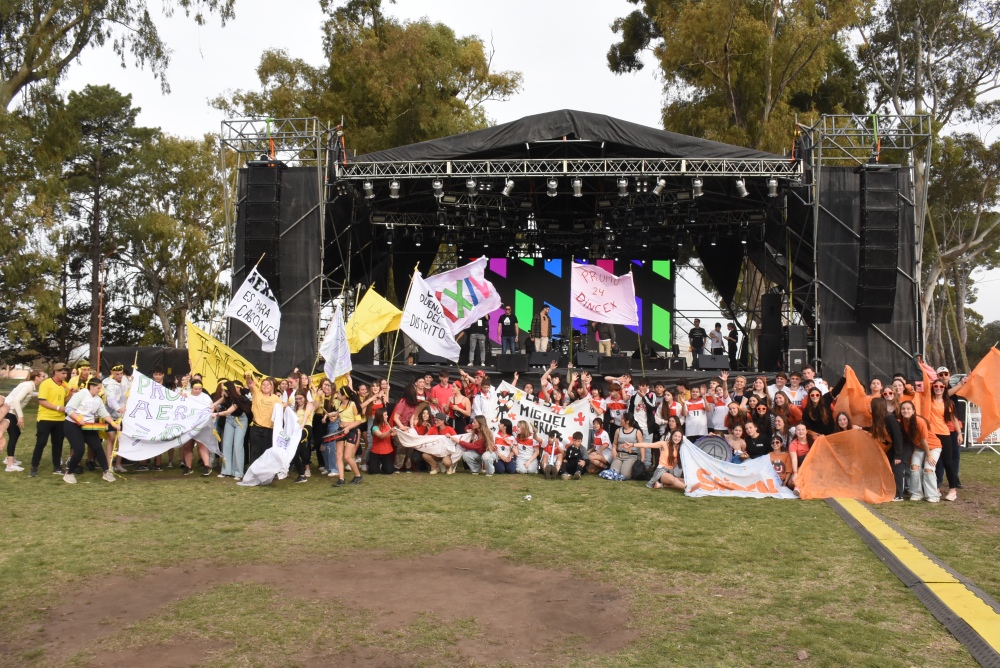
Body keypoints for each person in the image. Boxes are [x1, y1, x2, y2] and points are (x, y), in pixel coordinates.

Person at [61, 378, 117, 484]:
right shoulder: (81, 394)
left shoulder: (98, 399)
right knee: (79, 450)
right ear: (91, 387)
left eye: (101, 388)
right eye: (98, 388)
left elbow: (104, 413)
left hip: (88, 426)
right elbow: (68, 409)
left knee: (98, 448)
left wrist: (114, 424)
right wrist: (78, 418)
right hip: (72, 425)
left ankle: (106, 472)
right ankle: (69, 473)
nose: (100, 391)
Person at [30, 363, 71, 477]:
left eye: (66, 373)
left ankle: (57, 467)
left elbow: (64, 400)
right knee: (41, 443)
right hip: (45, 418)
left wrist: (71, 394)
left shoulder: (65, 385)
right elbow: (42, 401)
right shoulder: (46, 383)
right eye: (62, 373)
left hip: (60, 419)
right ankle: (34, 467)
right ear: (55, 372)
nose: (65, 375)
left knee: (58, 444)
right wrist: (58, 407)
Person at [898, 400, 940, 502]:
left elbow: (924, 440)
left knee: (928, 469)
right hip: (919, 447)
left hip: (932, 446)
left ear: (913, 411)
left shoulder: (919, 422)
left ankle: (932, 495)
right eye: (903, 409)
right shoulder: (903, 420)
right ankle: (917, 493)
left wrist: (929, 455)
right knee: (914, 467)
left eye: (908, 409)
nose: (905, 411)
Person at [927, 378, 960, 500]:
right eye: (936, 386)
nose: (938, 388)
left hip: (944, 434)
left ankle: (953, 489)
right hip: (931, 435)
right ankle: (936, 487)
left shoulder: (948, 403)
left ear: (944, 388)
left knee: (947, 462)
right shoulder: (928, 400)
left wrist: (959, 433)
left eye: (941, 387)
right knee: (933, 462)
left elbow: (954, 419)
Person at [4, 370, 44, 472]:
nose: (44, 378)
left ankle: (9, 458)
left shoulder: (29, 385)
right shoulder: (28, 386)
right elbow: (16, 400)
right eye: (43, 376)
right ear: (36, 377)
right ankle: (10, 464)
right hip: (9, 411)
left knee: (16, 433)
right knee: (14, 434)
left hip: (10, 410)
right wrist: (20, 417)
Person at [869, 397, 906, 500]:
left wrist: (898, 455)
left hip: (900, 446)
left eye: (870, 405)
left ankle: (899, 494)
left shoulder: (889, 418)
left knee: (896, 468)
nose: (869, 407)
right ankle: (888, 490)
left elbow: (898, 437)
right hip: (891, 446)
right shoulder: (878, 419)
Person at [245, 373, 284, 469]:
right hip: (256, 428)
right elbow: (250, 384)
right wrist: (248, 377)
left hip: (269, 429)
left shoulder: (276, 399)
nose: (266, 386)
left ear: (272, 387)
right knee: (255, 451)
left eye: (268, 385)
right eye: (263, 384)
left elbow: (280, 412)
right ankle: (253, 471)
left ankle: (265, 472)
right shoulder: (257, 393)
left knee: (266, 451)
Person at [332, 386, 365, 487]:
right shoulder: (340, 404)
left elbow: (358, 420)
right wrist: (331, 417)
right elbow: (339, 414)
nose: (337, 395)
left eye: (339, 393)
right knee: (338, 455)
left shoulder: (353, 405)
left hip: (351, 431)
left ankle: (358, 475)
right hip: (341, 430)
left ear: (344, 396)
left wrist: (348, 428)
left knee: (347, 456)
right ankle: (341, 479)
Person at [610, 415, 645, 479]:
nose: (620, 420)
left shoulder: (637, 432)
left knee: (625, 475)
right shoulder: (618, 430)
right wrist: (614, 450)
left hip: (631, 456)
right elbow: (614, 443)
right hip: (619, 455)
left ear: (627, 421)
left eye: (622, 419)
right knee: (613, 473)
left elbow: (641, 445)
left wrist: (643, 458)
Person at [368, 408, 395, 475]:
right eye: (385, 415)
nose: (387, 416)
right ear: (380, 416)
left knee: (389, 471)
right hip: (376, 452)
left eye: (387, 415)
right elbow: (380, 436)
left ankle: (383, 465)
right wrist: (389, 431)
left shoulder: (387, 423)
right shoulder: (375, 427)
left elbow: (391, 434)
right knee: (373, 472)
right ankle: (373, 463)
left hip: (387, 451)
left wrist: (401, 431)